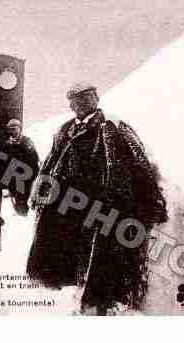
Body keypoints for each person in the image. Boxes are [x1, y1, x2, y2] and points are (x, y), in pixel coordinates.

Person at [27, 82, 167, 314]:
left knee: (101, 255)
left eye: (86, 98)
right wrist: (39, 191)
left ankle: (102, 302)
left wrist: (153, 201)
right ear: (70, 104)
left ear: (96, 99)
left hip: (101, 202)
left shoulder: (113, 126)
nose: (80, 103)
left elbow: (140, 164)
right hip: (67, 202)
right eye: (75, 100)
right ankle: (74, 288)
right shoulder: (65, 129)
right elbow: (51, 163)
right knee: (66, 249)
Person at [4, 119, 39, 216]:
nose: (12, 132)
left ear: (20, 129)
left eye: (14, 129)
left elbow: (34, 160)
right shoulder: (7, 144)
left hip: (25, 177)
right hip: (12, 177)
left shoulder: (27, 142)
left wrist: (31, 176)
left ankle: (23, 215)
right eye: (10, 129)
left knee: (21, 201)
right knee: (15, 199)